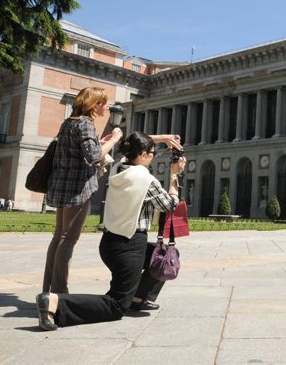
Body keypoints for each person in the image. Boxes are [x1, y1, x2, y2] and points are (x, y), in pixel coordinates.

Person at [35, 131, 187, 331]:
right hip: (130, 247)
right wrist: (174, 176)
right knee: (116, 305)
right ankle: (54, 302)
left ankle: (138, 298)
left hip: (109, 245)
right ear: (142, 155)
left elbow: (130, 145)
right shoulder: (147, 180)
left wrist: (162, 139)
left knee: (163, 257)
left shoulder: (119, 167)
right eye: (152, 151)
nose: (154, 154)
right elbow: (169, 205)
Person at [43, 87, 124, 294]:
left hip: (62, 184)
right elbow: (94, 156)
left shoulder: (69, 122)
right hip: (77, 187)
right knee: (68, 239)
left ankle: (49, 288)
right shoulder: (86, 123)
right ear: (94, 105)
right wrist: (114, 139)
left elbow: (81, 150)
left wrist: (99, 142)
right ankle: (59, 292)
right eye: (104, 103)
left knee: (59, 235)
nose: (106, 107)